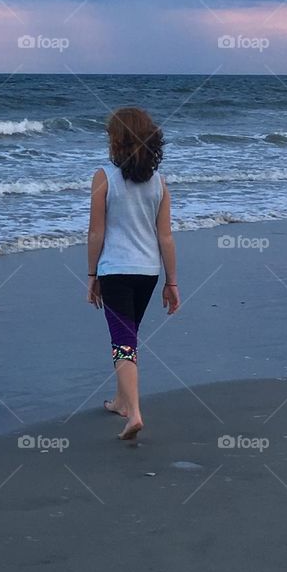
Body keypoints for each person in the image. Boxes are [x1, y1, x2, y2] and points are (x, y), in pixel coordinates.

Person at [86, 106, 180, 441]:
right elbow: (165, 236)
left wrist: (91, 275)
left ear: (117, 140)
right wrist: (171, 282)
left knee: (122, 342)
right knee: (129, 337)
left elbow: (96, 233)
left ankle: (135, 413)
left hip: (115, 271)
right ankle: (122, 402)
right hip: (148, 273)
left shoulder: (104, 177)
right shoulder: (159, 183)